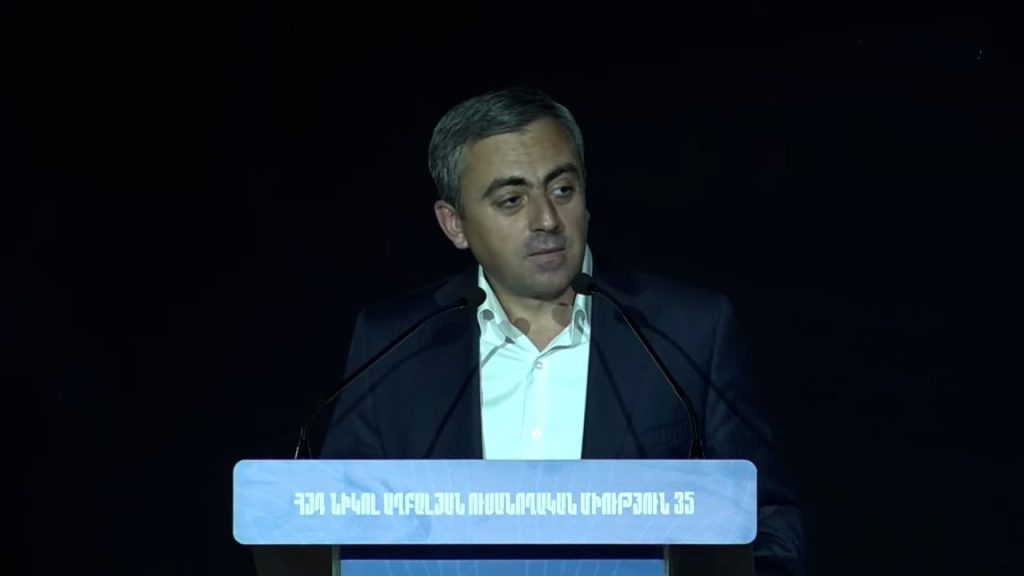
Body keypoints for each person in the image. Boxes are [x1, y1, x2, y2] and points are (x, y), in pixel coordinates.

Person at [319, 86, 804, 575]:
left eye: (562, 190)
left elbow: (768, 529)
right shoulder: (395, 344)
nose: (547, 219)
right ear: (454, 225)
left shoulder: (686, 331)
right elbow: (335, 531)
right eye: (512, 200)